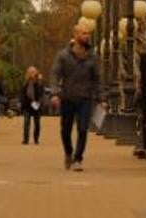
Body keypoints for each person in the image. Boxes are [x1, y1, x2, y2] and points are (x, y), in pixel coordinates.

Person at [49, 23, 102, 172]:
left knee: (83, 129)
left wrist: (101, 98)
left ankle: (78, 159)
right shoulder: (63, 55)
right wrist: (54, 93)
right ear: (75, 35)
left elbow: (97, 79)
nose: (87, 36)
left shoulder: (92, 56)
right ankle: (68, 152)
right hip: (68, 97)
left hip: (85, 98)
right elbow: (55, 74)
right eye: (84, 33)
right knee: (65, 130)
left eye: (88, 33)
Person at [21, 66, 45, 145]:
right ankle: (25, 139)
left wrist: (38, 81)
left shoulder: (39, 82)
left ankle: (36, 139)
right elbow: (22, 94)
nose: (32, 73)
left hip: (36, 105)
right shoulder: (25, 82)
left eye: (33, 72)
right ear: (27, 73)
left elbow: (41, 93)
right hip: (27, 105)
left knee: (37, 123)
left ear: (36, 73)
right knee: (26, 122)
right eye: (30, 72)